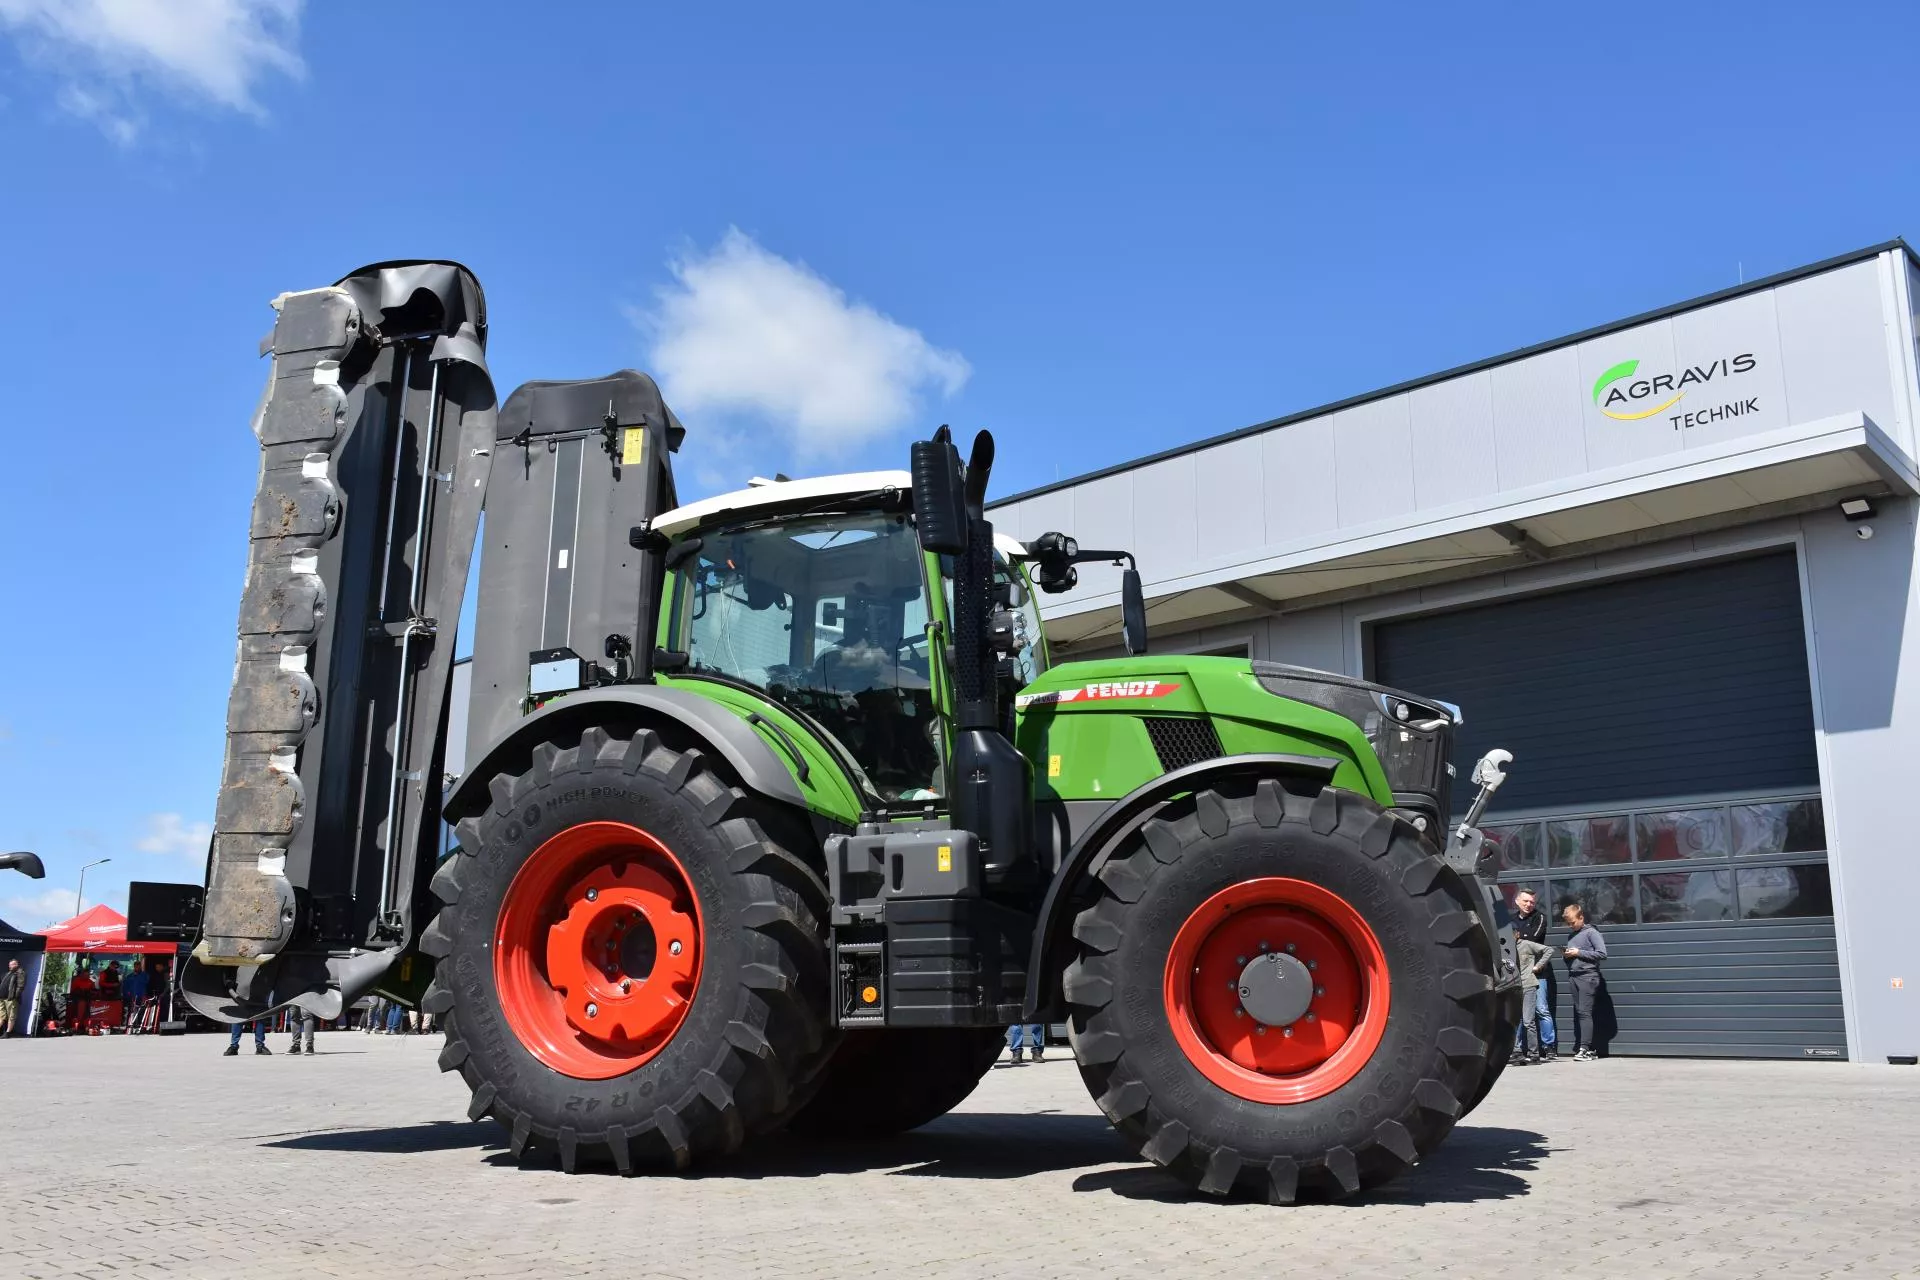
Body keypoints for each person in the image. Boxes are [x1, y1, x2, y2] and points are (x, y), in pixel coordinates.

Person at [1561, 902, 1609, 1061]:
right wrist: (1567, 955)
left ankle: (1585, 1049)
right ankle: (1589, 1048)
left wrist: (1578, 952)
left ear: (1581, 917)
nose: (1571, 926)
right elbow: (1575, 956)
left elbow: (1602, 953)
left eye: (1573, 922)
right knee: (1580, 1012)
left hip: (1588, 976)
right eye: (1568, 924)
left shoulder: (1592, 933)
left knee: (1584, 1012)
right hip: (1574, 976)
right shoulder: (1571, 935)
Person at [1510, 889, 1554, 1059]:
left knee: (1541, 1009)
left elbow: (1533, 939)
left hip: (1537, 973)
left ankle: (1548, 1047)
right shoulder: (1511, 921)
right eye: (1525, 901)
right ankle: (1518, 1049)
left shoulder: (1540, 917)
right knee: (1520, 1014)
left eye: (1532, 902)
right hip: (1518, 975)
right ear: (1517, 902)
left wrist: (1519, 938)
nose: (1529, 905)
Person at [1513, 934, 1552, 1064]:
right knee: (1515, 1021)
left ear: (1516, 934)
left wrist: (1538, 966)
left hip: (1528, 985)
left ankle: (1534, 1054)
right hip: (1514, 987)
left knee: (1528, 1021)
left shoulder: (1526, 944)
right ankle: (1516, 1052)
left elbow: (1548, 950)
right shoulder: (1506, 947)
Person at [121, 962, 150, 1031]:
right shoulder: (129, 976)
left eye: (138, 966)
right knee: (131, 1011)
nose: (137, 967)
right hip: (131, 997)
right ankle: (129, 1024)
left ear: (141, 966)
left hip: (141, 996)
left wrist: (146, 995)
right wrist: (127, 994)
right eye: (136, 966)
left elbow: (147, 983)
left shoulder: (145, 975)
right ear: (134, 967)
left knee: (141, 1011)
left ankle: (140, 1024)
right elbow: (125, 987)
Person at [0, 958, 25, 1036]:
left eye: (13, 964)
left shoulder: (20, 973)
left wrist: (14, 996)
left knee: (11, 1016)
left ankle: (8, 1033)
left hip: (11, 998)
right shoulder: (8, 973)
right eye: (10, 964)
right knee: (1, 1015)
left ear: (17, 965)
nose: (11, 965)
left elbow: (21, 986)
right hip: (2, 998)